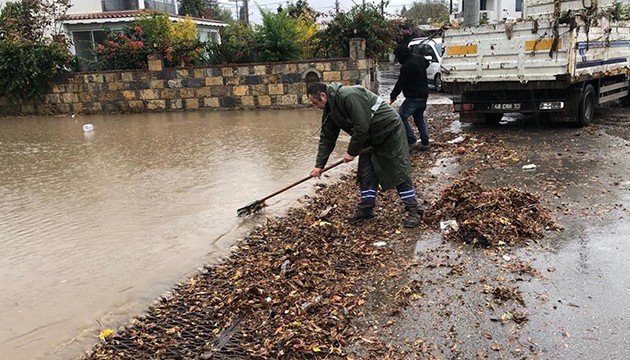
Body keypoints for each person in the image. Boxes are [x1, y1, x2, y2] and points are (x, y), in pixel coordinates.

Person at [306, 81, 424, 228]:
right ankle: (366, 209)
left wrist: (351, 152)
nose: (315, 107)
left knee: (397, 170)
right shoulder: (330, 110)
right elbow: (327, 138)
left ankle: (415, 209)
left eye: (314, 103)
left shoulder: (349, 95)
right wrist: (319, 165)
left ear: (322, 96)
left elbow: (361, 126)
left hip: (388, 131)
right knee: (366, 172)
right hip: (370, 137)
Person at [390, 43, 431, 152]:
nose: (398, 60)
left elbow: (401, 83)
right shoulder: (419, 58)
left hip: (413, 97)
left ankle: (411, 141)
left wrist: (393, 95)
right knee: (419, 118)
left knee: (401, 117)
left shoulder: (407, 66)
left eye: (398, 57)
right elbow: (427, 63)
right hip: (424, 95)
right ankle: (425, 143)